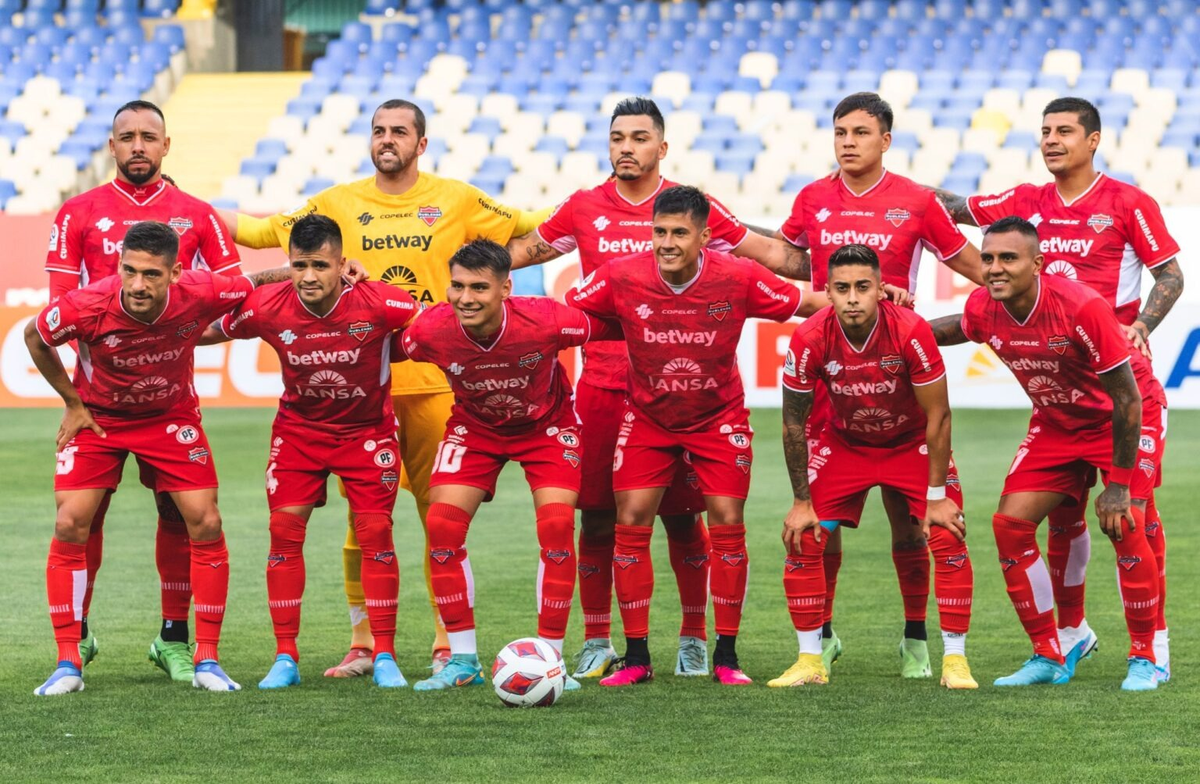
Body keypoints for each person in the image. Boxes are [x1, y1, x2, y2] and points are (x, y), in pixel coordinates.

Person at [218, 99, 550, 676]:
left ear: (422, 143)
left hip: (434, 382)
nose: (386, 139)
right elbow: (256, 231)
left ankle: (449, 643)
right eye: (378, 130)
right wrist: (184, 213)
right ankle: (364, 644)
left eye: (399, 131)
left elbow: (531, 226)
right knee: (363, 520)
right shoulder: (334, 203)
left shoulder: (459, 197)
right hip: (357, 388)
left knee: (438, 512)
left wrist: (603, 218)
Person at [506, 96, 811, 679]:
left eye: (640, 137)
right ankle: (599, 640)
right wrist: (457, 265)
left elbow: (768, 254)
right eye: (618, 137)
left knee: (686, 519)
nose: (627, 147)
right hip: (602, 384)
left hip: (688, 391)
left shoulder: (693, 210)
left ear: (661, 147)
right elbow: (522, 254)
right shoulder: (583, 207)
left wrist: (848, 274)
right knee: (596, 517)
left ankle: (696, 638)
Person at [931, 97, 1182, 680]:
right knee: (1045, 520)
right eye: (1044, 131)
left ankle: (1151, 652)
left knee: (1130, 517)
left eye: (1064, 130)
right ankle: (1064, 641)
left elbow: (1170, 272)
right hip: (1058, 405)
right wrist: (879, 193)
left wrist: (1142, 323)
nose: (1051, 140)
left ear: (1093, 140)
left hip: (1117, 386)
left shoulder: (1126, 203)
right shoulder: (1022, 203)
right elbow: (948, 207)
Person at [761, 92, 988, 677]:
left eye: (861, 132)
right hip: (834, 386)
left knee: (914, 527)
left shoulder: (917, 200)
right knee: (819, 528)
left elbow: (978, 269)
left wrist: (1039, 292)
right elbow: (789, 262)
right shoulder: (811, 197)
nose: (847, 141)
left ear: (885, 139)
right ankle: (821, 642)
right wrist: (724, 235)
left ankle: (919, 642)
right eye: (839, 131)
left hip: (897, 376)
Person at [565, 185, 822, 686]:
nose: (666, 242)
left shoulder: (739, 276)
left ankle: (725, 655)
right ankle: (637, 657)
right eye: (659, 231)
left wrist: (875, 300)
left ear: (705, 236)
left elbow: (803, 301)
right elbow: (572, 313)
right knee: (630, 521)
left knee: (726, 523)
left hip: (717, 419)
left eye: (679, 233)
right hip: (648, 420)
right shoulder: (621, 275)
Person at [25, 221, 292, 695]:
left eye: (151, 274)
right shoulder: (87, 305)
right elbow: (34, 336)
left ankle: (206, 657)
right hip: (101, 421)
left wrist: (314, 271)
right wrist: (72, 402)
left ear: (176, 273)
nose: (137, 285)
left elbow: (258, 281)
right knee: (71, 522)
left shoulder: (204, 289)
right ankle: (68, 662)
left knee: (205, 521)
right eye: (129, 271)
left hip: (170, 417)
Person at [43, 99, 242, 680]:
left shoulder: (197, 214)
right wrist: (76, 398)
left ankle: (174, 639)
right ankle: (74, 638)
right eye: (125, 136)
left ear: (165, 145)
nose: (137, 146)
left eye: (147, 137)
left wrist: (182, 336)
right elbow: (59, 310)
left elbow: (232, 297)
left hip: (168, 401)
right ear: (111, 146)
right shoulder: (77, 212)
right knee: (83, 515)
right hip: (98, 401)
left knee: (182, 516)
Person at [391, 239, 621, 691]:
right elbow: (383, 345)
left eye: (479, 287)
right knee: (441, 526)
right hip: (475, 430)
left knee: (557, 526)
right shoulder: (431, 330)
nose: (465, 298)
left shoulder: (548, 320)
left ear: (506, 288)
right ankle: (461, 661)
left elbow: (618, 326)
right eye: (456, 286)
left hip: (547, 429)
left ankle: (549, 659)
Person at [206, 214, 419, 689]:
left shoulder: (383, 302)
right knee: (283, 532)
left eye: (320, 265)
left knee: (375, 533)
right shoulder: (266, 306)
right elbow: (206, 332)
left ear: (342, 264)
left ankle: (384, 654)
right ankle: (285, 657)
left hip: (367, 434)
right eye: (299, 265)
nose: (307, 277)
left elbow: (428, 332)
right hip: (299, 434)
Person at [775, 244, 976, 689]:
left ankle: (952, 659)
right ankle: (810, 659)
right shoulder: (809, 336)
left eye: (862, 287)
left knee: (946, 531)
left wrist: (938, 499)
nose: (851, 298)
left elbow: (939, 415)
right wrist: (800, 501)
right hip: (845, 444)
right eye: (842, 288)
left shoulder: (910, 330)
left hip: (909, 443)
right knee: (803, 534)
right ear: (826, 291)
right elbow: (793, 421)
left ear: (881, 290)